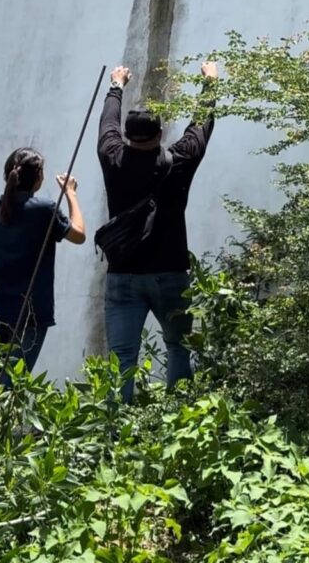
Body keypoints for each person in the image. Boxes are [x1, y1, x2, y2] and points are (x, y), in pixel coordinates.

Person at [97, 63, 218, 403]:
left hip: (124, 275)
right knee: (178, 348)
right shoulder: (179, 160)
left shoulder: (112, 157)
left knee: (122, 359)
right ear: (160, 134)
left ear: (127, 136)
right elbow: (201, 126)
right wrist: (210, 82)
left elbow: (107, 124)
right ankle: (178, 419)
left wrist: (116, 86)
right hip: (170, 273)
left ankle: (114, 433)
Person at [0, 146, 86, 376]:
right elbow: (79, 235)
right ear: (38, 178)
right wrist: (70, 193)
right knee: (12, 382)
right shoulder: (43, 210)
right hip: (31, 313)